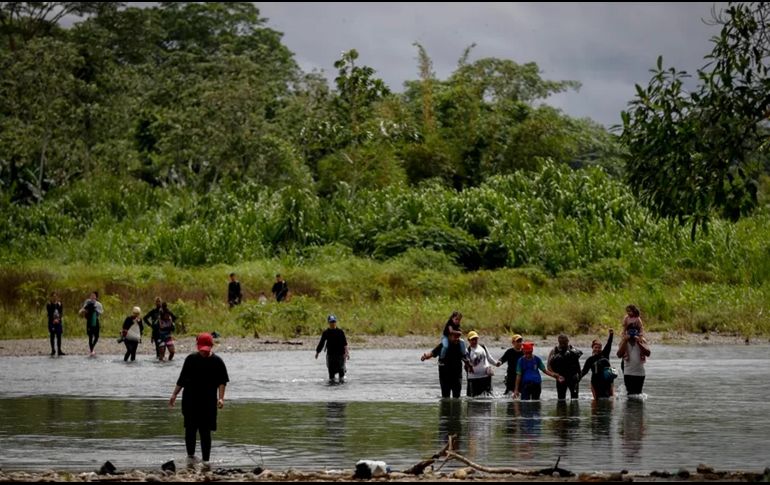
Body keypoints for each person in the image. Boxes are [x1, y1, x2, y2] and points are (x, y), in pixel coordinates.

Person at [169, 333, 229, 470]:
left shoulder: (217, 361)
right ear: (198, 347)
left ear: (211, 347)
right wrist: (174, 395)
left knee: (205, 431)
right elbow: (182, 380)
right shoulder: (190, 359)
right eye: (201, 349)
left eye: (206, 350)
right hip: (190, 401)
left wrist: (221, 398)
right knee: (190, 430)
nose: (203, 352)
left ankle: (206, 461)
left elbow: (222, 382)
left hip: (208, 403)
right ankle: (190, 458)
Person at [421, 330, 470, 398]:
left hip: (457, 376)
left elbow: (465, 358)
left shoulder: (461, 345)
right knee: (445, 396)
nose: (457, 338)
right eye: (455, 336)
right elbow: (432, 353)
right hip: (444, 376)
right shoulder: (443, 346)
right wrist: (425, 356)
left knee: (457, 396)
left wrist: (469, 366)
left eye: (458, 336)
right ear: (450, 336)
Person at [581, 329, 616, 399]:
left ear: (601, 348)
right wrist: (576, 379)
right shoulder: (590, 360)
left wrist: (611, 334)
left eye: (599, 348)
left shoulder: (605, 354)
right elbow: (584, 371)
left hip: (607, 381)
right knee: (596, 401)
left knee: (610, 399)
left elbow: (609, 343)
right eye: (595, 347)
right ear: (592, 348)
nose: (597, 349)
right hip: (595, 383)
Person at [547, 334, 584, 400]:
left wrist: (580, 375)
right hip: (561, 378)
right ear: (559, 342)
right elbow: (548, 366)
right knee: (561, 399)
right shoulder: (554, 351)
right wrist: (556, 375)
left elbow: (577, 364)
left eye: (565, 343)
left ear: (568, 341)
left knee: (575, 399)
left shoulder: (573, 350)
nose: (563, 344)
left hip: (573, 377)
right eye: (561, 343)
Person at [465, 331, 500, 397]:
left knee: (488, 396)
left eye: (476, 339)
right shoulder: (467, 351)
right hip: (473, 379)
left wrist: (496, 363)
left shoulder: (483, 347)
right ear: (468, 340)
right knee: (473, 398)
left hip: (486, 377)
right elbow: (466, 363)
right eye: (472, 339)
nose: (474, 341)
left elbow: (489, 358)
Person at [616, 327, 651, 395]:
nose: (632, 335)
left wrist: (638, 343)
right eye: (630, 332)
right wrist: (625, 341)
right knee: (630, 395)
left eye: (634, 332)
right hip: (628, 372)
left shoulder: (642, 340)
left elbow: (648, 353)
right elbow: (619, 355)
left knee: (638, 394)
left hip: (640, 373)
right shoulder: (624, 341)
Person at [315, 314, 349, 383]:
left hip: (340, 355)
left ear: (336, 322)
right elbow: (322, 343)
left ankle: (341, 386)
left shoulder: (340, 332)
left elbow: (345, 343)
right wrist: (317, 352)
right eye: (331, 322)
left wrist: (347, 353)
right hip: (330, 355)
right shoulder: (326, 332)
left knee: (341, 374)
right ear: (328, 323)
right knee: (331, 375)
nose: (332, 323)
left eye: (334, 322)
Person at [79, 291, 104, 356]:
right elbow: (83, 309)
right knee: (90, 336)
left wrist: (95, 310)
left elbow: (101, 312)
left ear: (96, 297)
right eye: (91, 295)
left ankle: (92, 347)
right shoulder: (87, 302)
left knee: (97, 336)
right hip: (89, 321)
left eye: (94, 296)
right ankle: (91, 351)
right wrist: (82, 311)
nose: (92, 297)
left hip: (95, 320)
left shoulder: (99, 304)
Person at [46, 291, 65, 356]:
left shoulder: (60, 304)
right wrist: (53, 320)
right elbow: (49, 313)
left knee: (59, 336)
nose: (55, 298)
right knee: (52, 335)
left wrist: (58, 319)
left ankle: (59, 350)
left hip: (58, 321)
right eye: (53, 296)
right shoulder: (49, 304)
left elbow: (61, 313)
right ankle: (53, 350)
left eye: (56, 296)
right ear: (51, 297)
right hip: (52, 322)